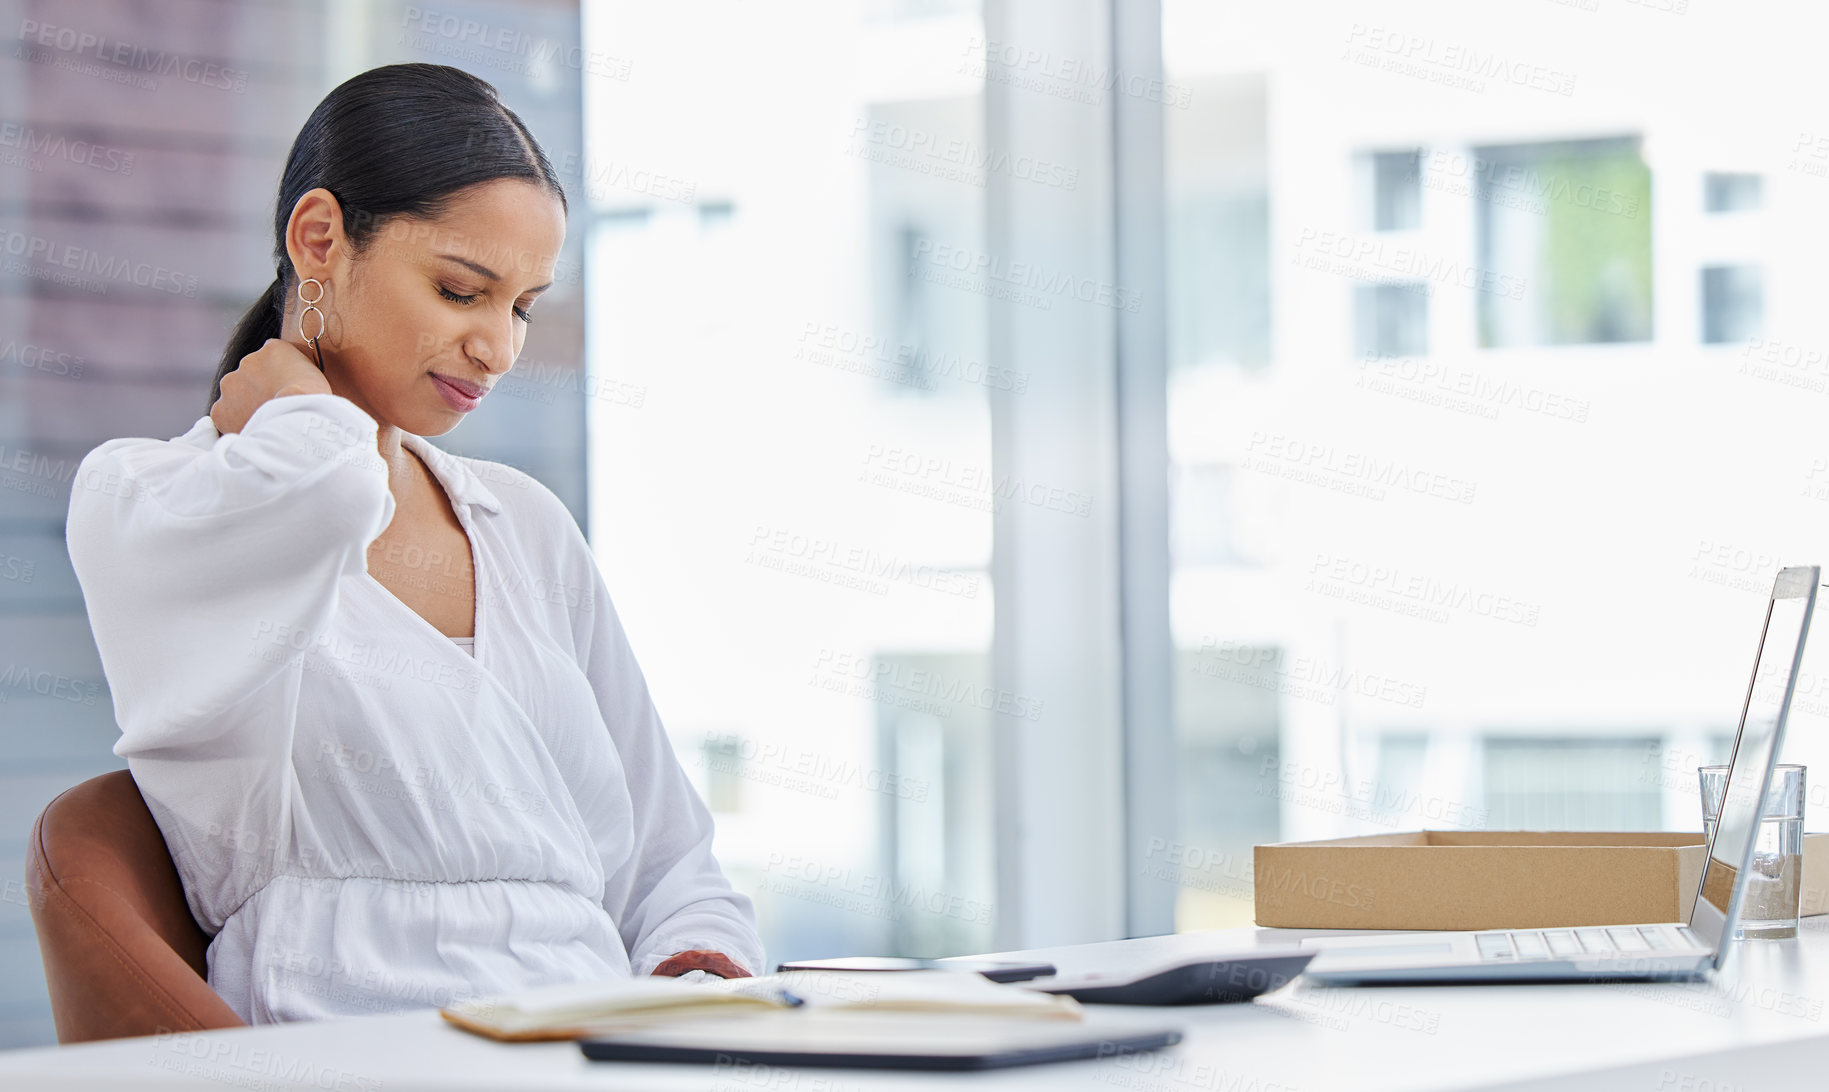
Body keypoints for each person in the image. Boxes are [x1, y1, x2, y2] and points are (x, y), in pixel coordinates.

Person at [63, 62, 763, 1024]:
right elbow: (322, 496)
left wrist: (696, 982)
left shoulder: (523, 526)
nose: (499, 349)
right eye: (459, 290)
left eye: (519, 307)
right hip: (351, 1039)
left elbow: (669, 861)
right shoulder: (155, 498)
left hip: (597, 1040)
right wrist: (307, 415)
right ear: (319, 240)